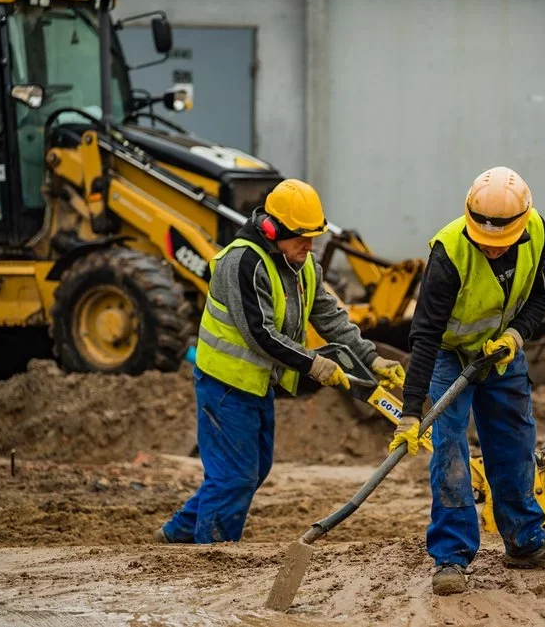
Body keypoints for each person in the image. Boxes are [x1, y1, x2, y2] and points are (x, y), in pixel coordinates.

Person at [156, 178, 406, 544]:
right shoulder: (242, 262)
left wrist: (371, 358)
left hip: (257, 382)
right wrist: (314, 364)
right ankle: (212, 556)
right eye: (302, 237)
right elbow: (260, 334)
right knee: (234, 477)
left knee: (253, 470)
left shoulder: (302, 263)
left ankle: (178, 533)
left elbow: (330, 317)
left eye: (313, 237)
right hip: (225, 384)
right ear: (273, 230)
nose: (310, 245)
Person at [391, 166, 545, 595]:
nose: (492, 251)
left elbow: (542, 294)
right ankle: (451, 557)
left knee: (514, 444)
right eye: (485, 243)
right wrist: (408, 412)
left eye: (501, 244)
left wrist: (515, 335)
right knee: (451, 450)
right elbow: (423, 336)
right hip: (449, 355)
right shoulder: (449, 252)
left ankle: (526, 543)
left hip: (502, 352)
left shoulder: (536, 232)